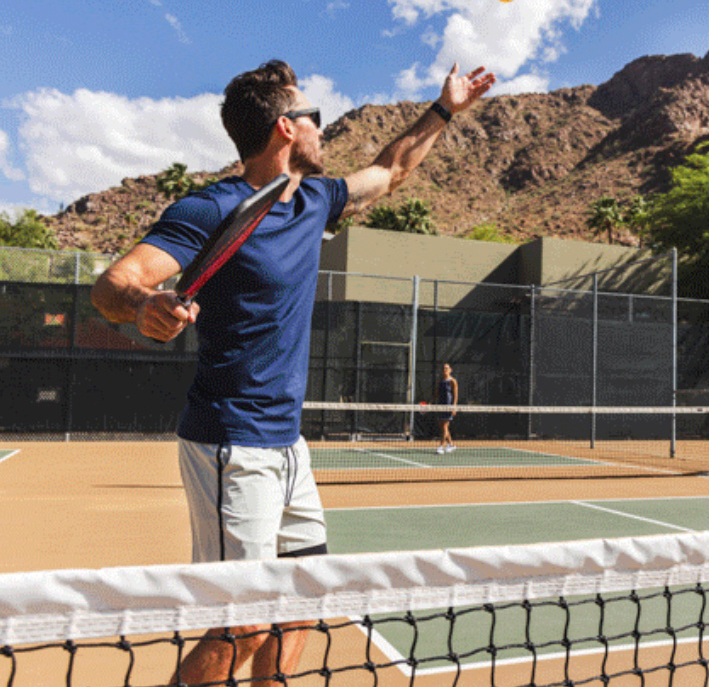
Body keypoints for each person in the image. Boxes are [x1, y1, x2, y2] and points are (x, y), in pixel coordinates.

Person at [90, 59, 494, 685]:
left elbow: (392, 169)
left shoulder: (315, 200)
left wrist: (444, 109)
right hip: (231, 442)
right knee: (243, 626)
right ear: (285, 127)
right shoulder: (212, 208)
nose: (321, 130)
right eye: (315, 118)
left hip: (288, 445)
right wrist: (146, 306)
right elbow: (114, 284)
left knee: (302, 605)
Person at [436, 362, 458, 454]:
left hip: (448, 406)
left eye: (447, 368)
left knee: (445, 426)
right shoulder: (440, 381)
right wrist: (430, 402)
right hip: (440, 406)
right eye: (443, 368)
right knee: (442, 427)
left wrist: (454, 406)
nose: (445, 370)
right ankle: (451, 444)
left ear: (450, 370)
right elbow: (436, 393)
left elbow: (455, 395)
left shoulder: (452, 381)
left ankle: (441, 446)